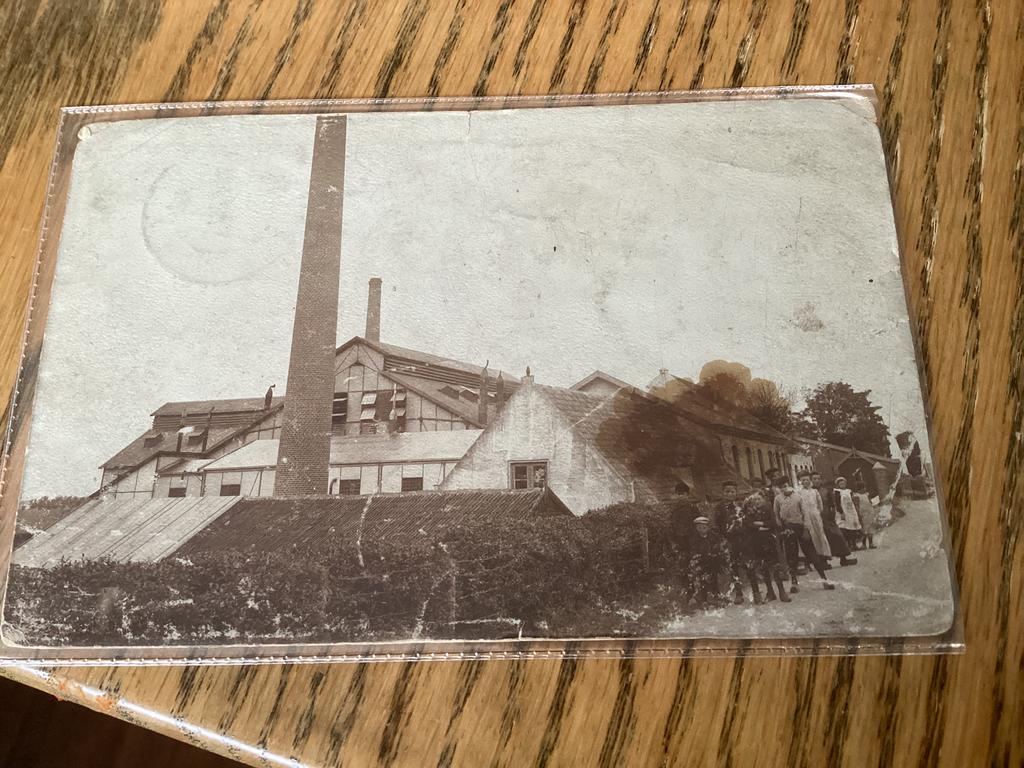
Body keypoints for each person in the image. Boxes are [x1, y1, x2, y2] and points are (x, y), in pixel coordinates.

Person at [774, 480, 836, 593]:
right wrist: (781, 527)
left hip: (800, 527)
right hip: (788, 528)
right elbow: (776, 514)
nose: (784, 488)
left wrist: (807, 529)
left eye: (786, 485)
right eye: (781, 487)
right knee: (791, 555)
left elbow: (805, 513)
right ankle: (794, 583)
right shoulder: (778, 499)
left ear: (790, 486)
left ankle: (824, 580)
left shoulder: (798, 497)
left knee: (811, 553)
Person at [742, 490, 790, 603]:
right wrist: (762, 526)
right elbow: (748, 525)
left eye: (759, 499)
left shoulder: (767, 510)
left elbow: (773, 523)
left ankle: (782, 591)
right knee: (763, 567)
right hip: (756, 542)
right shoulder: (749, 512)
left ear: (763, 500)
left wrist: (761, 524)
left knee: (775, 565)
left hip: (769, 541)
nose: (757, 502)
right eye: (755, 500)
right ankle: (770, 592)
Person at [714, 480, 756, 605]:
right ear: (723, 493)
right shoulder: (719, 508)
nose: (730, 494)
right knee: (734, 567)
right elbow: (717, 526)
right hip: (730, 541)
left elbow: (748, 522)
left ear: (736, 492)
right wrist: (722, 540)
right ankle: (738, 593)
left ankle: (756, 592)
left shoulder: (741, 506)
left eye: (732, 491)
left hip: (743, 540)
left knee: (749, 565)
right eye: (727, 491)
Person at [686, 516, 733, 608]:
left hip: (713, 561)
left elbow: (719, 546)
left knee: (714, 579)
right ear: (696, 528)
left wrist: (717, 553)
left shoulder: (713, 536)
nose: (702, 530)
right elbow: (693, 550)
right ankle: (704, 600)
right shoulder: (695, 539)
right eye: (699, 528)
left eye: (704, 527)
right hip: (701, 562)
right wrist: (697, 557)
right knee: (703, 580)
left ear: (708, 527)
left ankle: (716, 597)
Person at [812, 471, 857, 566]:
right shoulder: (810, 492)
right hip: (816, 520)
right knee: (822, 540)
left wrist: (832, 514)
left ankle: (843, 559)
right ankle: (823, 562)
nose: (816, 481)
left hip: (828, 518)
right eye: (814, 479)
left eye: (818, 479)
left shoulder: (825, 491)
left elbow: (832, 504)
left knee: (838, 535)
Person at [795, 472, 832, 563]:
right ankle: (814, 558)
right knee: (811, 535)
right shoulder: (799, 492)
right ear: (800, 481)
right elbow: (798, 505)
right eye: (803, 480)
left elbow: (820, 505)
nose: (805, 481)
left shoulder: (814, 491)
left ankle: (824, 556)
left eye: (807, 479)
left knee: (820, 534)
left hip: (815, 515)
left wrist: (817, 512)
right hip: (806, 516)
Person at [832, 477, 863, 552]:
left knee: (853, 528)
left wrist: (856, 511)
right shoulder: (837, 491)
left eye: (843, 483)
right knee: (846, 529)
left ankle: (854, 544)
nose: (842, 484)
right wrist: (841, 512)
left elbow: (852, 501)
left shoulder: (849, 491)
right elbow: (837, 503)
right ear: (838, 484)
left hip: (851, 511)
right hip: (843, 512)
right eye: (840, 483)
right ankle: (849, 545)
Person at [853, 481, 878, 549]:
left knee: (870, 528)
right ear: (860, 489)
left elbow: (870, 502)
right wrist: (858, 514)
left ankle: (871, 543)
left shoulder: (867, 494)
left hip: (870, 512)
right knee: (865, 529)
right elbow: (857, 505)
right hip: (863, 513)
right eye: (863, 487)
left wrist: (873, 508)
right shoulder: (856, 495)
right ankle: (863, 544)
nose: (865, 489)